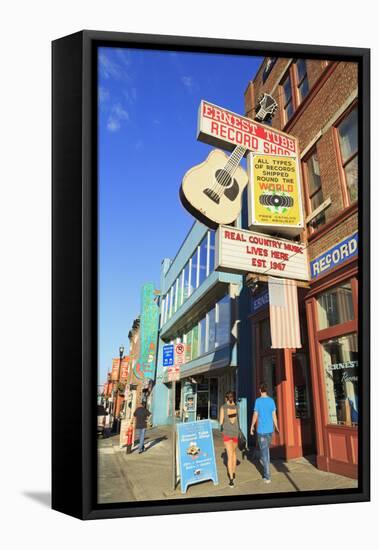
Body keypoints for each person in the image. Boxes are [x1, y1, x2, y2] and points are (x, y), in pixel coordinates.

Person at [250, 383, 279, 484]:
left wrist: (252, 426)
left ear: (260, 390)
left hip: (261, 431)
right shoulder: (271, 401)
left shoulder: (258, 401)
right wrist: (277, 426)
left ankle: (267, 476)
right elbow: (274, 415)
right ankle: (266, 473)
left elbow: (255, 415)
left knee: (264, 454)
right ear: (266, 390)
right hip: (270, 430)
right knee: (266, 452)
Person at [219, 391, 239, 488]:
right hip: (235, 433)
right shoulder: (237, 407)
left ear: (226, 398)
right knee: (234, 453)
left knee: (229, 456)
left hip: (227, 433)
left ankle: (231, 479)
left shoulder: (223, 407)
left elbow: (221, 422)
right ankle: (234, 473)